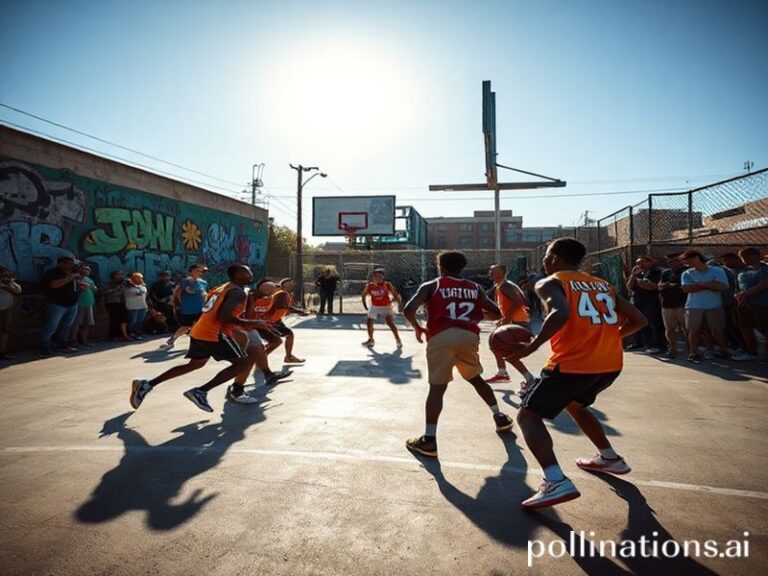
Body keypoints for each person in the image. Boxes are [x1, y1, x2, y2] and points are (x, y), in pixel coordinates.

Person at [507, 238, 647, 509]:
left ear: (555, 258)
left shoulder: (550, 281)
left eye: (547, 255)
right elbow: (640, 320)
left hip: (573, 364)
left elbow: (560, 312)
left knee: (528, 417)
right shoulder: (602, 284)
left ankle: (556, 480)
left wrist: (531, 347)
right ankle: (609, 458)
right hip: (609, 364)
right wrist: (608, 338)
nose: (545, 261)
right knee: (576, 405)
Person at [402, 250, 515, 459]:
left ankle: (429, 440)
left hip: (441, 335)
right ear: (462, 268)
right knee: (476, 378)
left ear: (441, 268)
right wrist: (475, 314)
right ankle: (499, 416)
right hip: (469, 335)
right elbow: (496, 313)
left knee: (437, 387)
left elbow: (408, 309)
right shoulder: (475, 288)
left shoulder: (432, 285)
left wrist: (418, 328)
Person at [131, 264, 265, 412]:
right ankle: (201, 391)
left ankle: (146, 385)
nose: (251, 274)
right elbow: (224, 317)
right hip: (213, 333)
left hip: (200, 330)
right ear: (237, 275)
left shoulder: (222, 287)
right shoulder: (238, 293)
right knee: (242, 363)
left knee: (195, 364)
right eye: (247, 272)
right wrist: (254, 322)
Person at [485, 264, 536, 394]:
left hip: (518, 323)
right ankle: (502, 372)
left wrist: (507, 318)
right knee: (495, 345)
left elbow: (518, 301)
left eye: (493, 271)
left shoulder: (506, 285)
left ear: (502, 272)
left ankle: (530, 379)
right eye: (490, 271)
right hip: (514, 322)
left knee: (508, 353)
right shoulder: (499, 286)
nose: (490, 273)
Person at [680, 250, 734, 363]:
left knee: (717, 330)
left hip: (714, 305)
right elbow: (686, 289)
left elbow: (723, 286)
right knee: (693, 330)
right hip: (693, 305)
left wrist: (700, 284)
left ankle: (724, 350)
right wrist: (711, 285)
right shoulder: (687, 273)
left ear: (696, 258)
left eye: (687, 259)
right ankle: (693, 353)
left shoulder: (717, 271)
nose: (686, 262)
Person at [39, 255, 81, 356]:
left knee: (66, 325)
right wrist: (70, 278)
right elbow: (53, 285)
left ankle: (62, 344)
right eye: (69, 263)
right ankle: (45, 347)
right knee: (51, 325)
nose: (72, 265)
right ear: (61, 263)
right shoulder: (53, 273)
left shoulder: (73, 273)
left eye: (72, 263)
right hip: (56, 303)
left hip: (72, 303)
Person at [261, 278, 310, 364]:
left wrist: (298, 311)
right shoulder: (282, 294)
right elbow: (283, 307)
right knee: (280, 339)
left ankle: (287, 356)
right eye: (289, 283)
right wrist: (299, 311)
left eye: (291, 283)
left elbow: (284, 307)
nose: (291, 285)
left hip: (275, 320)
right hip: (271, 322)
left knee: (283, 337)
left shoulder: (282, 293)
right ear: (283, 285)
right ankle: (262, 358)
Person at [160, 264, 208, 350]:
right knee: (186, 327)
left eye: (201, 271)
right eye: (197, 270)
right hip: (188, 308)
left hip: (200, 308)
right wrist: (176, 303)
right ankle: (172, 339)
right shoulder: (185, 281)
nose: (199, 272)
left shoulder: (203, 282)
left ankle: (198, 343)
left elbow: (204, 294)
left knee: (199, 326)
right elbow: (178, 292)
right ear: (192, 271)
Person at [626, 255, 665, 354]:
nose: (640, 265)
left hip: (651, 302)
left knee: (653, 324)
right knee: (637, 323)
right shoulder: (638, 273)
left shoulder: (656, 272)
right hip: (637, 301)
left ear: (650, 262)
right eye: (638, 263)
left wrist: (640, 283)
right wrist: (633, 275)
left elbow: (652, 286)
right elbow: (629, 286)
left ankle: (657, 345)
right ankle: (639, 343)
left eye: (642, 262)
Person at [736, 247, 768, 360]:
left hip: (762, 304)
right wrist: (739, 295)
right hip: (745, 304)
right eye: (742, 257)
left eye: (746, 256)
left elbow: (764, 284)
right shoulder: (743, 271)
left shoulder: (764, 269)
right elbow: (741, 286)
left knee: (764, 328)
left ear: (756, 256)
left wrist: (746, 294)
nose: (744, 259)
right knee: (745, 327)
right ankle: (751, 352)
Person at [361, 269, 403, 348]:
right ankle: (371, 340)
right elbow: (364, 294)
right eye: (374, 276)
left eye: (378, 276)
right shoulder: (370, 286)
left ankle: (398, 339)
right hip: (375, 306)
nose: (376, 278)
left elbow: (395, 294)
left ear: (382, 277)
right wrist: (365, 305)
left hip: (386, 306)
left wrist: (397, 300)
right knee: (369, 321)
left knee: (389, 322)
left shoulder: (387, 285)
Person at [657, 253, 688, 359]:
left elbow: (685, 287)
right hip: (667, 304)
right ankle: (672, 349)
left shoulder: (686, 272)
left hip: (682, 304)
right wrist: (665, 285)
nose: (672, 263)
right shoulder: (666, 273)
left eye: (674, 261)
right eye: (670, 261)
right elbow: (660, 286)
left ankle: (691, 350)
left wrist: (673, 286)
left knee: (685, 328)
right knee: (670, 328)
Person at [69, 264, 98, 347]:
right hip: (79, 303)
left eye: (88, 269)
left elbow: (94, 289)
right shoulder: (75, 278)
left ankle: (84, 341)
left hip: (89, 303)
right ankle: (73, 341)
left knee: (87, 323)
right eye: (84, 269)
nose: (86, 271)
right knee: (76, 324)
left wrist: (95, 289)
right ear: (80, 269)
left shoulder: (89, 280)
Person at [0, 267, 22, 360]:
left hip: (6, 309)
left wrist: (8, 284)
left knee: (5, 330)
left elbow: (18, 290)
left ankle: (2, 351)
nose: (4, 276)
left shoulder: (8, 282)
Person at [101, 270, 130, 341]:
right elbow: (104, 292)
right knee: (114, 319)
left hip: (121, 303)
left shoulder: (123, 284)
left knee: (124, 318)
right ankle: (113, 336)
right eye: (118, 275)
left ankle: (123, 335)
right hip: (111, 303)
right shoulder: (108, 284)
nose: (120, 276)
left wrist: (123, 289)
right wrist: (115, 289)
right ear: (113, 276)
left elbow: (123, 293)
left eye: (121, 275)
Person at [124, 272, 149, 340]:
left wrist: (140, 285)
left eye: (141, 278)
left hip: (142, 306)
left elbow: (144, 292)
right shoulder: (128, 287)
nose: (141, 279)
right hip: (132, 307)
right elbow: (135, 293)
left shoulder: (142, 287)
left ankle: (137, 333)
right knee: (133, 321)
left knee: (140, 321)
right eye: (138, 278)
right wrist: (133, 285)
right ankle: (131, 333)